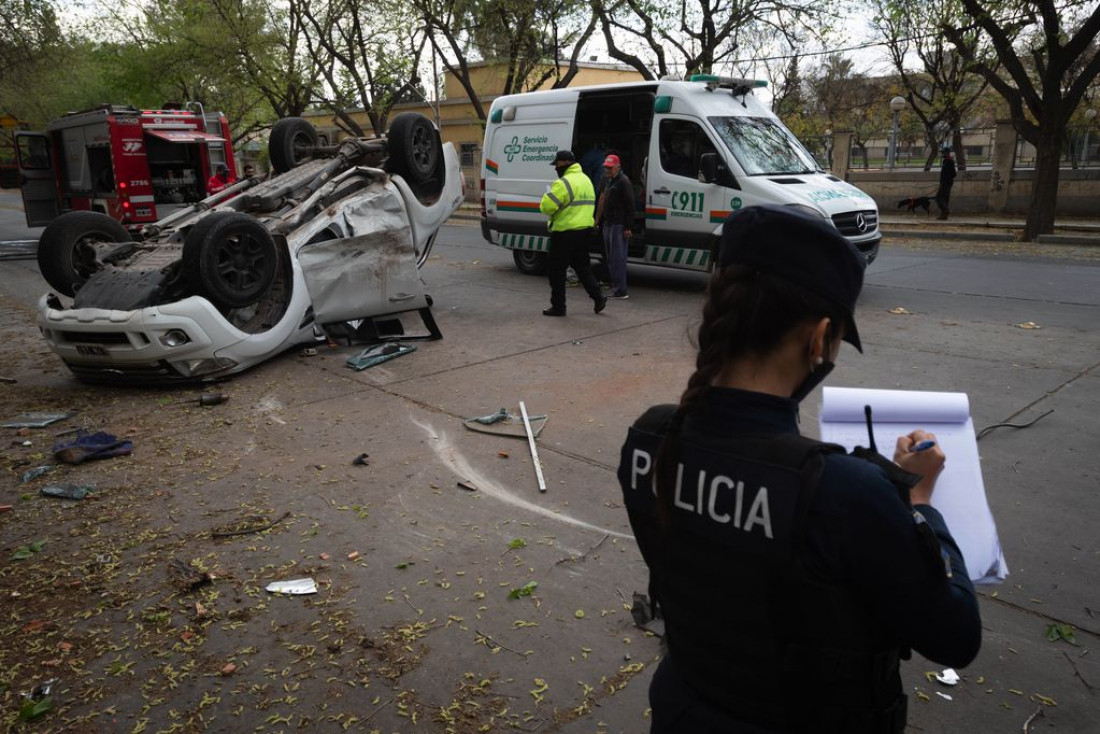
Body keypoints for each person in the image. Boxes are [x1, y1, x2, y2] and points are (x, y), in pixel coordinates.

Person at [617, 205, 981, 733]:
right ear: (819, 338)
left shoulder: (650, 438)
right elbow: (956, 637)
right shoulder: (846, 492)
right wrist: (921, 502)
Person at [539, 150, 606, 317]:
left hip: (564, 232)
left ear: (564, 164)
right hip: (584, 230)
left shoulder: (563, 183)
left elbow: (547, 207)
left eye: (557, 164)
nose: (555, 168)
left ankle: (558, 307)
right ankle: (598, 297)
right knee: (582, 267)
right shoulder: (586, 180)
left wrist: (547, 196)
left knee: (556, 270)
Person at [595, 154, 634, 299]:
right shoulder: (607, 180)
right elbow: (602, 199)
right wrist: (597, 220)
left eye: (610, 168)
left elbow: (630, 205)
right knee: (611, 258)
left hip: (618, 224)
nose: (607, 170)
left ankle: (620, 290)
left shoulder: (623, 182)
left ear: (618, 167)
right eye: (606, 167)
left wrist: (628, 227)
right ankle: (615, 286)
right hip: (608, 223)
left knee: (618, 259)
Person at [935, 146, 956, 220]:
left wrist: (945, 180)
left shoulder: (949, 161)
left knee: (938, 198)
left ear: (947, 153)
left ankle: (945, 210)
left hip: (946, 183)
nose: (942, 154)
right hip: (945, 183)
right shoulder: (946, 161)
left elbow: (953, 173)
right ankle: (944, 215)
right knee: (944, 198)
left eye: (943, 152)